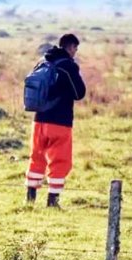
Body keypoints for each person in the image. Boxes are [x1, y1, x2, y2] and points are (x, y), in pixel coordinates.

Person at [25, 33, 86, 207]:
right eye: (75, 48)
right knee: (60, 160)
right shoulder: (68, 66)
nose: (75, 51)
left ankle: (30, 199)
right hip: (60, 122)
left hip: (39, 120)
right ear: (71, 47)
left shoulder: (43, 61)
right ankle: (53, 201)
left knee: (36, 158)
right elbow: (79, 93)